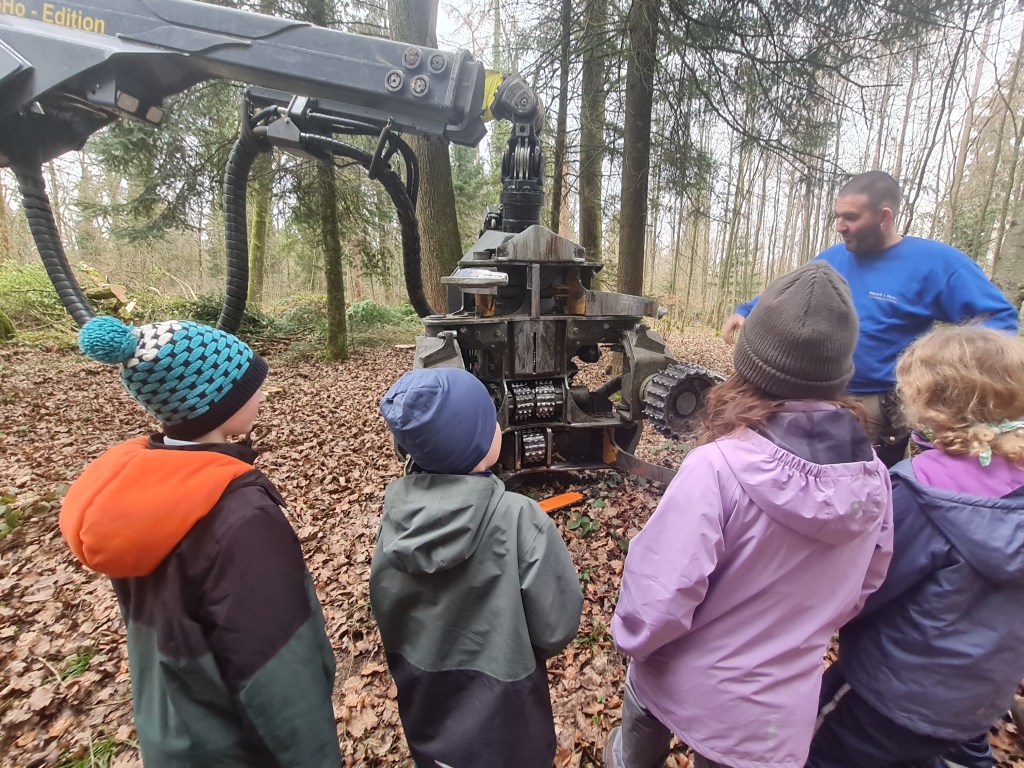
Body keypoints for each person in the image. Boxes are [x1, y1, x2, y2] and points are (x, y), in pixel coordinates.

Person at [605, 262, 894, 768]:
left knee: (638, 717)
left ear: (751, 365)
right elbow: (865, 584)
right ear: (838, 374)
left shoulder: (716, 467)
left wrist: (633, 642)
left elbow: (658, 596)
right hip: (774, 715)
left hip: (679, 679)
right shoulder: (874, 477)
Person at [60, 316, 340, 768]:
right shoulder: (240, 516)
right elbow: (279, 672)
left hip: (177, 732)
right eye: (250, 386)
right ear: (216, 404)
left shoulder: (139, 495)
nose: (262, 395)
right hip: (243, 748)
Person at [806, 325, 1024, 768]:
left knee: (815, 748)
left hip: (888, 694)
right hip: (976, 699)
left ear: (928, 399)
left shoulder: (922, 492)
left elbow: (866, 587)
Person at [721, 171, 1019, 466]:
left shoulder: (937, 263)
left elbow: (998, 317)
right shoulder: (834, 257)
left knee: (862, 476)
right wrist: (747, 310)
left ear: (884, 217)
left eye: (850, 217)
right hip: (815, 394)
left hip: (878, 405)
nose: (840, 226)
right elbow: (795, 291)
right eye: (838, 216)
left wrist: (946, 368)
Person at [371, 367, 583, 767]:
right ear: (475, 441)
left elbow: (386, 604)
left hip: (426, 710)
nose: (498, 426)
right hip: (509, 716)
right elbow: (555, 628)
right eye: (490, 420)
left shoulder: (395, 517)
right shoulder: (518, 518)